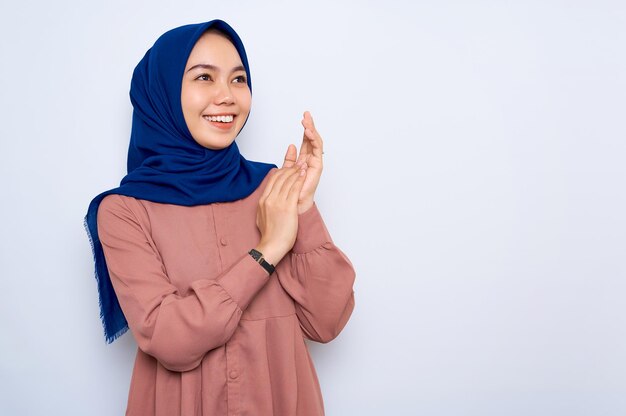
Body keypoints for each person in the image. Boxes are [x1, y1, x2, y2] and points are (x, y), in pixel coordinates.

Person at [83, 19, 356, 416]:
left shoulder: (273, 187)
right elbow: (169, 337)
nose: (227, 96)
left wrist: (302, 207)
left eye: (238, 79)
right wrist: (267, 252)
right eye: (204, 78)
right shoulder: (125, 211)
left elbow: (327, 323)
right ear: (162, 92)